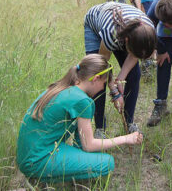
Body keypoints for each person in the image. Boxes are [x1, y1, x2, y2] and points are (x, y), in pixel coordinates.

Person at [17, 54, 143, 183]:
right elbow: (88, 145)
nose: (102, 88)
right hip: (38, 160)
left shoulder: (63, 87)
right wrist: (126, 138)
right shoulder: (83, 101)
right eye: (103, 83)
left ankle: (44, 173)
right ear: (96, 79)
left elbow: (82, 142)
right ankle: (39, 177)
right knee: (107, 163)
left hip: (30, 155)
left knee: (95, 155)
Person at [84, 2, 156, 138]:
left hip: (126, 30)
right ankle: (100, 128)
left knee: (134, 74)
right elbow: (102, 65)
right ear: (127, 41)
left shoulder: (148, 30)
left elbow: (135, 55)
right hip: (95, 22)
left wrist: (120, 79)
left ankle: (129, 122)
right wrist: (115, 91)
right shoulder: (111, 34)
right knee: (97, 79)